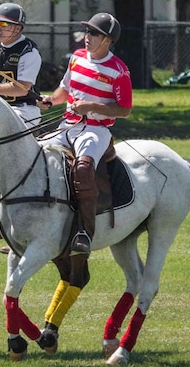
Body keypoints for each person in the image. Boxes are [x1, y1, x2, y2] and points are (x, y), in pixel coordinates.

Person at [46, 13, 132, 257]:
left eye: (94, 33)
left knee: (83, 169)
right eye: (87, 32)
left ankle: (84, 232)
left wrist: (91, 107)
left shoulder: (119, 71)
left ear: (107, 40)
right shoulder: (77, 57)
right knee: (37, 156)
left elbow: (124, 110)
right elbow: (64, 89)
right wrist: (51, 100)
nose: (87, 37)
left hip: (95, 130)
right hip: (67, 125)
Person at [0, 2, 45, 128]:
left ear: (18, 28)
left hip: (23, 110)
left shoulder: (28, 51)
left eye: (3, 23)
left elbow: (21, 89)